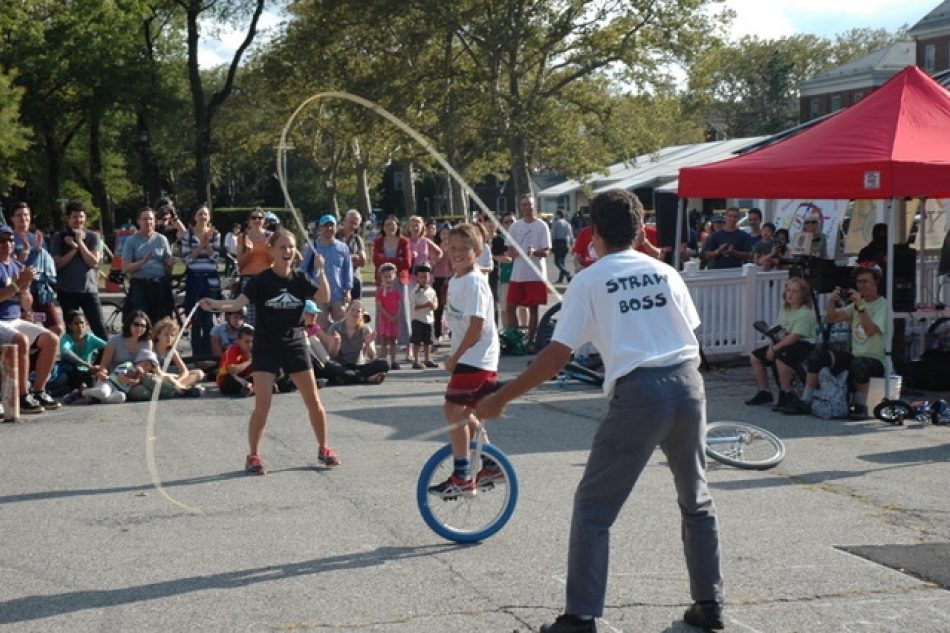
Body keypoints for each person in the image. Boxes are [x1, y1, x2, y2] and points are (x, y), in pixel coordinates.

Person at [476, 189, 723, 633]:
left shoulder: (590, 279)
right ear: (637, 229)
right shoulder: (664, 271)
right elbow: (690, 332)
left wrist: (501, 397)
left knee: (593, 508)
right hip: (687, 383)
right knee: (696, 498)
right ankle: (710, 603)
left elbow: (555, 357)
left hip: (640, 393)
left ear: (593, 232)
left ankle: (581, 617)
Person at [200, 228, 340, 475]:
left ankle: (324, 448)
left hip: (295, 343)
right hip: (266, 345)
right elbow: (237, 304)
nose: (287, 251)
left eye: (291, 247)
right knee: (262, 405)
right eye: (282, 247)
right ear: (272, 250)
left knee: (314, 401)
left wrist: (321, 269)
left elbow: (325, 296)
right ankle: (253, 455)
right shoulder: (261, 280)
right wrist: (215, 305)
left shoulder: (299, 279)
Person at [427, 223, 501, 499]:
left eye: (465, 249)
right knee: (460, 412)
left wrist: (454, 357)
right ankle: (491, 465)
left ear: (478, 251)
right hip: (470, 357)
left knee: (453, 411)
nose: (457, 253)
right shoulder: (458, 280)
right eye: (453, 248)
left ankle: (462, 476)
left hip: (477, 358)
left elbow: (476, 327)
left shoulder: (474, 281)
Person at [784, 267, 888, 419]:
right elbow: (831, 319)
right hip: (855, 356)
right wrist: (832, 301)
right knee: (816, 357)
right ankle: (806, 401)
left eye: (866, 281)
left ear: (876, 283)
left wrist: (860, 305)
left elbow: (870, 330)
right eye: (859, 282)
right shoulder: (857, 304)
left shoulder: (883, 305)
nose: (861, 285)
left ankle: (861, 407)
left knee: (859, 364)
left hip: (876, 359)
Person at [0, 224, 62, 413]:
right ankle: (22, 395)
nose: (7, 244)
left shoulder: (18, 266)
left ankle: (39, 390)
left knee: (51, 338)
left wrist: (25, 287)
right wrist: (19, 284)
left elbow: (27, 304)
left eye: (10, 240)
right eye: (2, 240)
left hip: (14, 318)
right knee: (21, 340)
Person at [744, 277, 816, 411]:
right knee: (755, 356)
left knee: (780, 357)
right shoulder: (785, 310)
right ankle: (764, 391)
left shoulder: (805, 313)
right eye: (788, 290)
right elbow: (777, 331)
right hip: (783, 342)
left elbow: (795, 336)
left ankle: (786, 393)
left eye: (795, 291)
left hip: (802, 344)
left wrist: (775, 349)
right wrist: (771, 346)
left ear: (802, 295)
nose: (790, 294)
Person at [50, 200, 107, 339]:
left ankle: (104, 358)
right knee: (72, 332)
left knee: (99, 328)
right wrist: (74, 249)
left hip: (89, 290)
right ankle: (73, 359)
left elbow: (93, 262)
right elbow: (57, 264)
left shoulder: (93, 236)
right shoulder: (59, 237)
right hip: (67, 290)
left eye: (81, 216)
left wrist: (80, 242)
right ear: (67, 218)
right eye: (75, 217)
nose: (78, 220)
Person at [506, 194, 551, 350]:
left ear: (534, 206)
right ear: (520, 207)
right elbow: (509, 250)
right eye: (524, 205)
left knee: (533, 308)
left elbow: (547, 251)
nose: (527, 207)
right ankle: (516, 340)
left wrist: (535, 252)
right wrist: (514, 252)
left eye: (529, 204)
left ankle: (531, 341)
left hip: (535, 274)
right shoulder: (515, 226)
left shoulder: (541, 226)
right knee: (510, 307)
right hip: (518, 274)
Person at [10, 202, 62, 334]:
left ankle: (41, 353)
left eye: (26, 215)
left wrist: (39, 251)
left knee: (56, 327)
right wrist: (24, 255)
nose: (23, 218)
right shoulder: (8, 239)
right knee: (24, 331)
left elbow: (46, 265)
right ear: (12, 219)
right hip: (17, 293)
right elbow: (8, 267)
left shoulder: (36, 238)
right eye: (19, 215)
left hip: (39, 291)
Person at [121, 206, 175, 325]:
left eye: (151, 219)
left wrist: (169, 264)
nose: (148, 222)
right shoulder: (131, 241)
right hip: (140, 284)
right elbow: (125, 268)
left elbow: (167, 264)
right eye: (145, 219)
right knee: (141, 320)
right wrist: (142, 262)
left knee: (160, 321)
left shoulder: (162, 239)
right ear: (138, 221)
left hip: (159, 284)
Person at [180, 205, 221, 359]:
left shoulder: (215, 234)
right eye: (200, 214)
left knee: (209, 318)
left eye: (205, 214)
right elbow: (187, 260)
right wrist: (200, 247)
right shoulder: (187, 235)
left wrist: (208, 245)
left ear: (209, 217)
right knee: (194, 317)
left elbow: (216, 258)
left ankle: (209, 354)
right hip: (194, 278)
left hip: (210, 278)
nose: (203, 217)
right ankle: (197, 354)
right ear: (195, 217)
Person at [373, 215, 413, 360]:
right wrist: (396, 260)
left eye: (393, 224)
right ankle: (383, 349)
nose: (390, 227)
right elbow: (376, 260)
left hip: (400, 281)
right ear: (383, 227)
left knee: (403, 315)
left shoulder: (404, 241)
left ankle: (408, 348)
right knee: (382, 315)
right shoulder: (378, 242)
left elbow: (407, 262)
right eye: (387, 224)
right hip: (382, 282)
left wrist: (387, 262)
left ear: (397, 226)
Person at [302, 214, 352, 328]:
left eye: (332, 225)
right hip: (318, 294)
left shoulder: (343, 247)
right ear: (320, 228)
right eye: (325, 226)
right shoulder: (312, 246)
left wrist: (348, 290)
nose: (329, 228)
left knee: (343, 325)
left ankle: (341, 346)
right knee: (320, 326)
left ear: (336, 227)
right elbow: (304, 269)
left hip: (338, 294)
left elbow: (347, 270)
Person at [326, 300, 389, 384]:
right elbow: (332, 354)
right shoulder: (335, 327)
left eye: (358, 311)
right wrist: (337, 343)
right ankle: (365, 379)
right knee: (329, 366)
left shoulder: (366, 330)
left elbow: (372, 356)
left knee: (385, 364)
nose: (355, 313)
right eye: (352, 310)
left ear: (362, 315)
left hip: (359, 365)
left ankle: (349, 378)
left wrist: (368, 344)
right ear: (346, 311)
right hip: (341, 366)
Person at [58, 309, 107, 404]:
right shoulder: (67, 338)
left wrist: (102, 365)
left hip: (87, 372)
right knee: (72, 371)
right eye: (76, 323)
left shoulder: (90, 338)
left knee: (92, 377)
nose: (80, 326)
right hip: (71, 372)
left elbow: (108, 347)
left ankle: (80, 393)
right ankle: (83, 392)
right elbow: (65, 352)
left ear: (86, 324)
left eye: (82, 323)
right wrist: (86, 364)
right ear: (70, 326)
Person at [235, 207, 273, 326]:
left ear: (264, 220)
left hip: (267, 278)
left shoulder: (270, 236)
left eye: (260, 217)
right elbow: (240, 263)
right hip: (248, 279)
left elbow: (273, 261)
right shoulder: (243, 237)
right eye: (254, 217)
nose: (257, 220)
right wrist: (248, 252)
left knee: (268, 315)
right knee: (250, 318)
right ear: (249, 220)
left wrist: (268, 249)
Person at [151, 317, 205, 395]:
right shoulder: (152, 348)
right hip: (156, 377)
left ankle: (177, 388)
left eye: (172, 335)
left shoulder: (171, 351)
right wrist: (172, 378)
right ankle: (182, 389)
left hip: (171, 379)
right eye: (166, 334)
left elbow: (184, 371)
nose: (169, 338)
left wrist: (177, 381)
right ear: (158, 335)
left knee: (199, 373)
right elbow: (157, 373)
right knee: (166, 379)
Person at [410, 264, 439, 369]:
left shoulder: (432, 291)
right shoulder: (414, 291)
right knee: (416, 341)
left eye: (426, 276)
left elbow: (436, 304)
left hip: (429, 319)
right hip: (417, 319)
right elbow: (414, 306)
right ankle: (416, 360)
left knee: (428, 341)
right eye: (421, 276)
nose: (424, 279)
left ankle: (427, 359)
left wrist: (433, 306)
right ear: (417, 278)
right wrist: (426, 305)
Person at [375, 263, 402, 369]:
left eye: (390, 276)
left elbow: (400, 305)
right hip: (385, 320)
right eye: (385, 276)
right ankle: (383, 361)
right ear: (381, 278)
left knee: (393, 341)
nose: (388, 279)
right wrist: (388, 316)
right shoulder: (380, 292)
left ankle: (394, 361)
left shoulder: (396, 292)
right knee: (383, 341)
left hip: (394, 320)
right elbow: (380, 307)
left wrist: (396, 316)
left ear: (394, 277)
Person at [217, 325, 255, 397]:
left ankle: (250, 388)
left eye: (252, 342)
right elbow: (232, 371)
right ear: (238, 341)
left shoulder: (255, 350)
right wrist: (249, 361)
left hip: (246, 377)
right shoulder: (232, 350)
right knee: (230, 378)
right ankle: (251, 388)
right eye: (246, 342)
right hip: (229, 379)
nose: (250, 345)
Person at [338, 209, 367, 301]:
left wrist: (345, 258)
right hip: (337, 277)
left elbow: (363, 261)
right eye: (351, 222)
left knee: (356, 306)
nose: (353, 226)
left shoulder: (357, 239)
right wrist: (352, 258)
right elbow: (334, 259)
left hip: (354, 276)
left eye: (356, 224)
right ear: (344, 221)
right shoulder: (335, 237)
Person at [551, 210, 574, 283]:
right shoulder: (568, 223)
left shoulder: (556, 223)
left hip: (558, 242)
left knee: (557, 262)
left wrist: (551, 244)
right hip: (566, 243)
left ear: (559, 215)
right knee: (562, 261)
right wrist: (572, 244)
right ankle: (561, 279)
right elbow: (571, 235)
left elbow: (553, 234)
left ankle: (567, 272)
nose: (555, 216)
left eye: (556, 214)